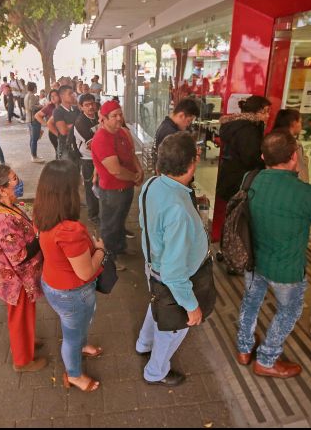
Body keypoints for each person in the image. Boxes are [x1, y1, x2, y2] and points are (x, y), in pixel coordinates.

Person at [236, 131, 311, 378]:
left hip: (253, 260)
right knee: (288, 311)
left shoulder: (250, 178)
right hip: (286, 268)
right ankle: (266, 359)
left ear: (263, 156)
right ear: (293, 157)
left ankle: (244, 349)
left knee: (250, 302)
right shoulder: (304, 192)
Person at [137, 132, 208, 387]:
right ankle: (156, 371)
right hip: (171, 279)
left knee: (156, 304)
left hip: (153, 267)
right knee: (171, 329)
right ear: (192, 163)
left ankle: (143, 343)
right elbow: (174, 273)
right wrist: (191, 305)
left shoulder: (152, 184)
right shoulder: (179, 211)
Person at [34, 160, 105, 393]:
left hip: (53, 283)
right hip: (72, 293)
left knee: (76, 327)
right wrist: (101, 250)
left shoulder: (43, 213)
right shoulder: (69, 230)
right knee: (71, 336)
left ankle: (81, 347)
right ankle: (74, 375)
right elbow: (85, 271)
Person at [0, 165, 46, 372]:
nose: (18, 182)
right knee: (19, 318)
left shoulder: (7, 205)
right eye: (14, 179)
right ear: (1, 189)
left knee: (25, 315)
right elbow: (18, 256)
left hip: (22, 277)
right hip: (16, 280)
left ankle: (28, 341)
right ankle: (23, 361)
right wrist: (39, 238)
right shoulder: (2, 218)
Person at [91, 100, 144, 268]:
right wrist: (135, 177)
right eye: (114, 116)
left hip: (125, 188)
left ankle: (120, 248)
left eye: (120, 114)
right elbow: (115, 170)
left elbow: (131, 154)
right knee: (110, 226)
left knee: (120, 221)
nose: (119, 118)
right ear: (104, 119)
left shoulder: (121, 132)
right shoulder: (101, 139)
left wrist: (139, 169)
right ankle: (108, 259)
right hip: (113, 191)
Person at [215, 95, 270, 248]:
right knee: (238, 221)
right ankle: (233, 255)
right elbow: (250, 158)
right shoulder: (248, 130)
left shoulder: (237, 124)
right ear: (255, 112)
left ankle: (226, 251)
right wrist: (265, 161)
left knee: (232, 218)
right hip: (240, 180)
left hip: (230, 176)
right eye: (265, 111)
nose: (268, 115)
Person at [73, 93, 100, 224]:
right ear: (81, 107)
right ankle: (93, 215)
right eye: (86, 105)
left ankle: (101, 212)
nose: (90, 107)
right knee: (91, 188)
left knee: (101, 186)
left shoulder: (98, 117)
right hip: (88, 160)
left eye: (92, 104)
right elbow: (92, 145)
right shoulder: (80, 122)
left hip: (100, 158)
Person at [273, 109, 309, 182]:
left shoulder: (271, 140)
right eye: (300, 122)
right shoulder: (294, 144)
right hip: (293, 184)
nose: (301, 125)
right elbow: (300, 171)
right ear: (293, 123)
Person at [53, 85, 81, 162]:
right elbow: (63, 131)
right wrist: (78, 124)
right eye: (70, 93)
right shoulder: (58, 111)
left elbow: (84, 123)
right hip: (65, 146)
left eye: (73, 93)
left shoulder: (76, 109)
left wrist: (70, 125)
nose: (73, 95)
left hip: (77, 145)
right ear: (62, 96)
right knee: (66, 170)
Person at [25, 82, 44, 163]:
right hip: (34, 120)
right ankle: (34, 156)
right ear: (33, 88)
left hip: (29, 119)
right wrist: (41, 106)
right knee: (34, 139)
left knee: (32, 138)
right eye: (36, 87)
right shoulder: (32, 96)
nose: (36, 88)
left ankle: (33, 155)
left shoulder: (27, 95)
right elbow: (31, 107)